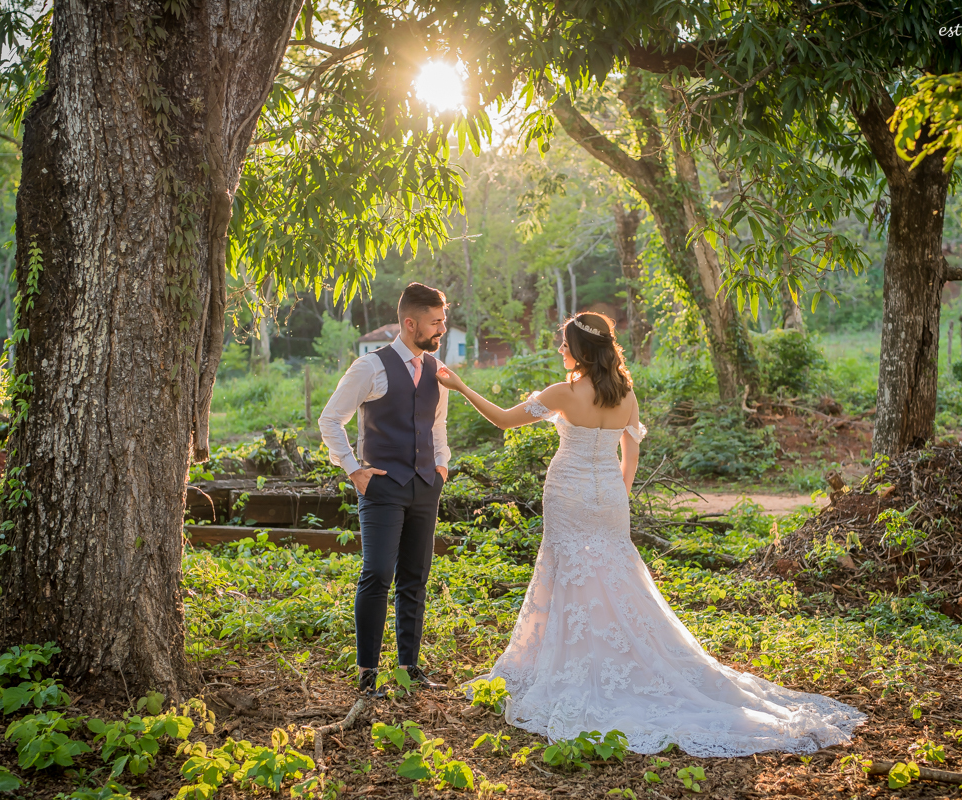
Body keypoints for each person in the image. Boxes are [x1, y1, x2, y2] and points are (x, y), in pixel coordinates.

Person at [436, 312, 865, 756]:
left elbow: (505, 421)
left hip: (567, 494)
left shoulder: (563, 392)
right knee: (614, 577)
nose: (561, 351)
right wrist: (617, 497)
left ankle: (576, 663)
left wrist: (462, 387)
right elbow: (632, 452)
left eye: (565, 345)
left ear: (581, 350)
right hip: (610, 498)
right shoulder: (624, 392)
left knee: (569, 573)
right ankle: (611, 655)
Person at [319, 283, 451, 697]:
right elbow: (330, 420)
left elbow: (436, 425)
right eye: (435, 322)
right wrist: (353, 469)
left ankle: (409, 668)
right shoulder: (369, 368)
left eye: (443, 320)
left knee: (416, 577)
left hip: (425, 485)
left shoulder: (437, 369)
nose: (442, 329)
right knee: (377, 574)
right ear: (410, 323)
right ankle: (367, 674)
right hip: (381, 488)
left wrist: (442, 466)